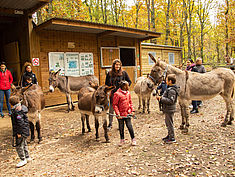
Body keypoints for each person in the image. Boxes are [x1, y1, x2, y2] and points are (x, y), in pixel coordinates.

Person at [105, 59, 132, 130]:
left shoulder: (123, 73)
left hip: (121, 94)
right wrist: (109, 90)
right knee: (111, 109)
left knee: (120, 110)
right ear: (113, 65)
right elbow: (106, 84)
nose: (118, 66)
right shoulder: (109, 73)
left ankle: (120, 124)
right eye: (116, 64)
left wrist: (125, 87)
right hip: (113, 94)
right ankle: (110, 124)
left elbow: (129, 81)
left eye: (119, 65)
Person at [9, 96, 32, 168]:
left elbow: (20, 123)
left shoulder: (17, 112)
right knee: (24, 143)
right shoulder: (21, 109)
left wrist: (19, 132)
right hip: (25, 130)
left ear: (11, 104)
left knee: (19, 146)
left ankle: (23, 159)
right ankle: (27, 157)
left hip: (21, 132)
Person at [156, 74, 179, 143]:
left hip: (169, 109)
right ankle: (169, 135)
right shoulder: (169, 88)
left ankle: (172, 138)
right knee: (167, 123)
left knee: (170, 123)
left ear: (170, 81)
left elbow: (171, 101)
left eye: (166, 80)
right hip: (167, 109)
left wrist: (161, 98)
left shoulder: (172, 90)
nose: (165, 81)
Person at [112, 81, 136, 146]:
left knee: (129, 126)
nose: (128, 87)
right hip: (120, 115)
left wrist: (132, 110)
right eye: (127, 85)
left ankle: (133, 139)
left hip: (127, 113)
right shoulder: (117, 94)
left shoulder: (128, 93)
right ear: (124, 86)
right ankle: (122, 140)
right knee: (121, 127)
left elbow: (130, 102)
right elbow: (115, 105)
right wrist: (118, 113)